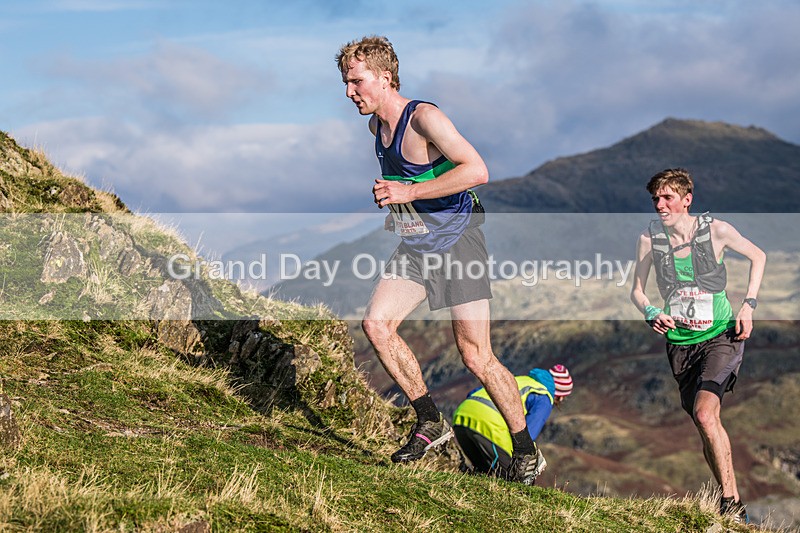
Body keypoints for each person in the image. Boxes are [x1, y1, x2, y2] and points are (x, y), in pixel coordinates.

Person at [335, 35, 545, 484]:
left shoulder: (424, 118)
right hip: (417, 246)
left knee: (475, 356)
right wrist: (400, 205)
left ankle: (525, 450)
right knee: (377, 324)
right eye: (346, 83)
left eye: (356, 82)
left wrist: (407, 191)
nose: (349, 92)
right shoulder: (377, 128)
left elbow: (477, 170)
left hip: (459, 243)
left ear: (385, 77)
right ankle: (430, 420)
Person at [630, 168, 766, 524]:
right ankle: (729, 498)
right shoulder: (650, 239)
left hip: (721, 336)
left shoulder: (715, 230)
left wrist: (748, 305)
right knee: (704, 423)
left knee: (706, 414)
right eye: (655, 199)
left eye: (667, 198)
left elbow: (759, 256)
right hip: (680, 345)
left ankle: (730, 504)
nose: (660, 205)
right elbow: (637, 291)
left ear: (686, 199)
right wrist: (650, 312)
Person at [453, 364, 573, 479]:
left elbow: (475, 392)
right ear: (560, 396)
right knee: (512, 479)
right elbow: (526, 437)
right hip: (488, 424)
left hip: (462, 415)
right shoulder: (544, 397)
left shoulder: (520, 380)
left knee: (483, 473)